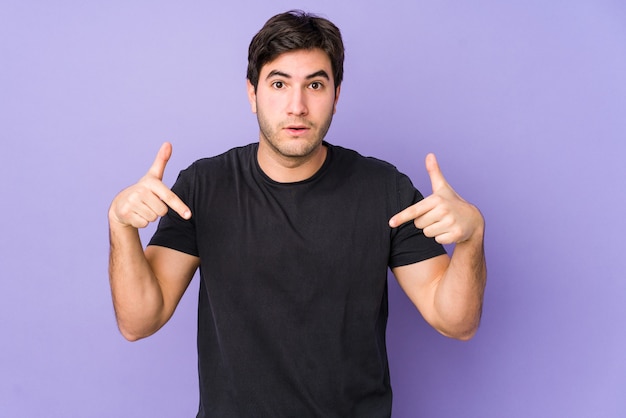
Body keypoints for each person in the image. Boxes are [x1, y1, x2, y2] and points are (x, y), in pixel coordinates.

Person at [108, 10, 486, 418]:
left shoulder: (384, 189)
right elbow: (139, 321)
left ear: (336, 96)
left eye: (315, 85)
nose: (297, 106)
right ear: (252, 94)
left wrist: (471, 239)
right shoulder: (204, 186)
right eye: (279, 83)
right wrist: (121, 227)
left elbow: (455, 321)